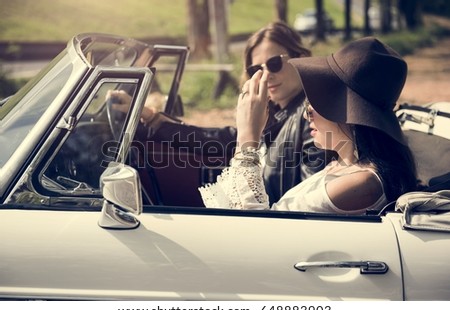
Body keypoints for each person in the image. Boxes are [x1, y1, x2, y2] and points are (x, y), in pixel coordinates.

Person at [109, 21, 335, 205]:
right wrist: (151, 116)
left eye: (274, 63)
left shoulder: (312, 116)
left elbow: (308, 205)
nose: (266, 76)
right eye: (256, 69)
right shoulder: (276, 114)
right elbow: (219, 138)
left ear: (301, 57)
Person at [199, 37, 418, 214]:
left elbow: (257, 228)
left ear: (351, 113)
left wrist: (248, 139)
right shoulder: (343, 165)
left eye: (319, 101)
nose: (307, 113)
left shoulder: (361, 182)